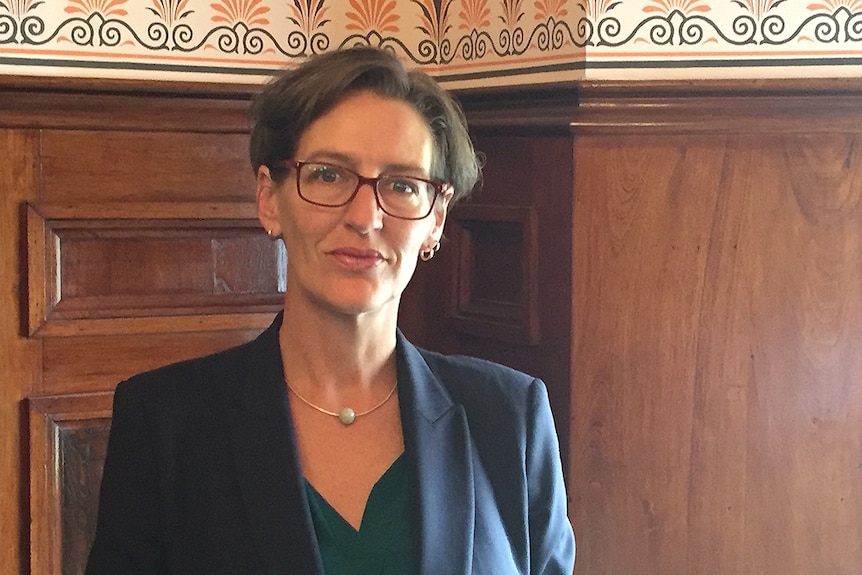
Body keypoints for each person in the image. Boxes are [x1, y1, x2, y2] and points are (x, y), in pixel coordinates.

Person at [85, 46, 575, 575]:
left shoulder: (510, 416)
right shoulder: (165, 422)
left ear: (435, 218)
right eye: (328, 175)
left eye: (404, 185)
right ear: (269, 198)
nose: (365, 217)